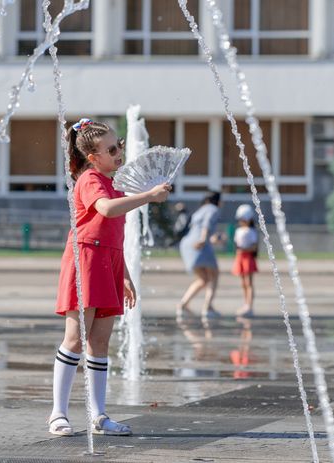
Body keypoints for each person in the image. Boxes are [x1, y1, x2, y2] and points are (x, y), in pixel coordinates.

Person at [49, 118, 171, 437]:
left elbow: (115, 232)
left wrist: (126, 275)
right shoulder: (90, 179)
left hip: (109, 262)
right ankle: (58, 413)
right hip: (85, 259)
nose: (120, 153)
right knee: (76, 337)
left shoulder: (114, 182)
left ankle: (99, 414)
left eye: (121, 146)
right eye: (112, 149)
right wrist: (147, 196)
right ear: (93, 157)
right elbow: (106, 210)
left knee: (101, 341)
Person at [177, 190, 222, 319]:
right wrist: (203, 239)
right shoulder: (213, 209)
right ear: (217, 201)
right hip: (199, 244)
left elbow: (197, 227)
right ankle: (207, 307)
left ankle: (183, 305)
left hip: (187, 244)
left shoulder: (201, 209)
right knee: (214, 274)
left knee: (203, 278)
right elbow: (206, 224)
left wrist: (209, 238)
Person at [232, 204, 258, 317]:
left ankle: (249, 305)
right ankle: (245, 303)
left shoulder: (251, 231)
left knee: (249, 283)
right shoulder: (238, 230)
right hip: (240, 257)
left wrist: (244, 249)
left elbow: (254, 247)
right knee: (243, 283)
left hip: (247, 257)